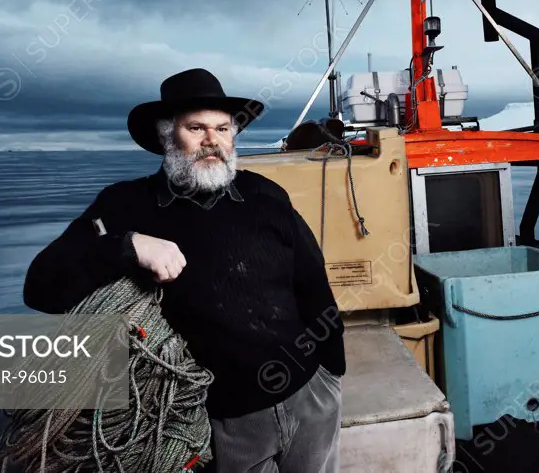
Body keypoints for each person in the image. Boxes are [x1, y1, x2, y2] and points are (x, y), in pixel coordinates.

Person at [22, 68, 345, 473]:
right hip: (225, 419)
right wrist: (127, 246)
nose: (213, 140)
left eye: (223, 128)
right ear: (165, 136)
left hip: (309, 395)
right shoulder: (124, 206)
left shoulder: (265, 195)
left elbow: (313, 283)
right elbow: (40, 287)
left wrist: (332, 371)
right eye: (196, 127)